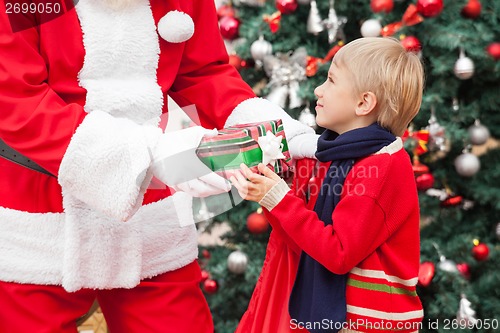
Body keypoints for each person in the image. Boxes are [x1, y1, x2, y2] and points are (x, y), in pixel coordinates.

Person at [0, 0, 318, 332]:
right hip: (39, 210)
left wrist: (279, 133)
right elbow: (17, 100)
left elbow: (203, 72)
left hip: (150, 215)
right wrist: (152, 155)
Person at [231, 37, 425, 333]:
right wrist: (271, 196)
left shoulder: (380, 166)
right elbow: (307, 244)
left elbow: (337, 254)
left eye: (331, 81)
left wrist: (280, 200)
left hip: (369, 323)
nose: (319, 90)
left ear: (364, 103)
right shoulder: (341, 154)